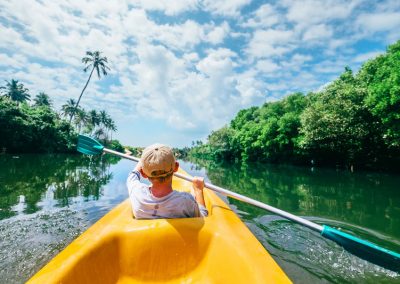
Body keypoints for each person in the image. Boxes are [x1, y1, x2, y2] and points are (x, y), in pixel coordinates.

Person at [126, 143, 208, 219]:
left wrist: (143, 161)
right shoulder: (186, 201)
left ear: (143, 173)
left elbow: (132, 176)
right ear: (176, 167)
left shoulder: (137, 192)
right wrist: (198, 190)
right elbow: (203, 217)